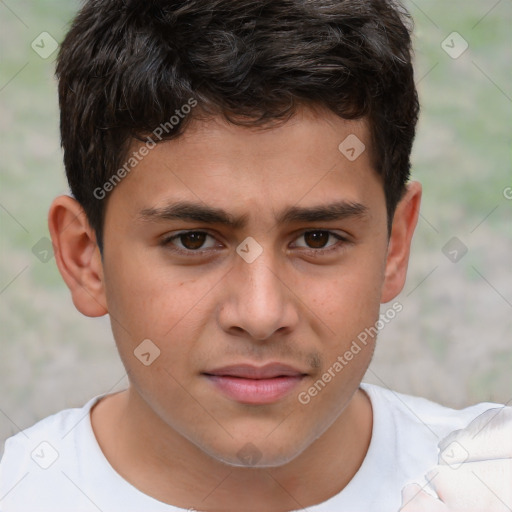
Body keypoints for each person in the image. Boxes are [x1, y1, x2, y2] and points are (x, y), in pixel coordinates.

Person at [0, 1, 510, 511]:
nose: (261, 314)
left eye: (317, 239)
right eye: (193, 241)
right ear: (85, 259)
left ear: (395, 247)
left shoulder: (488, 478)